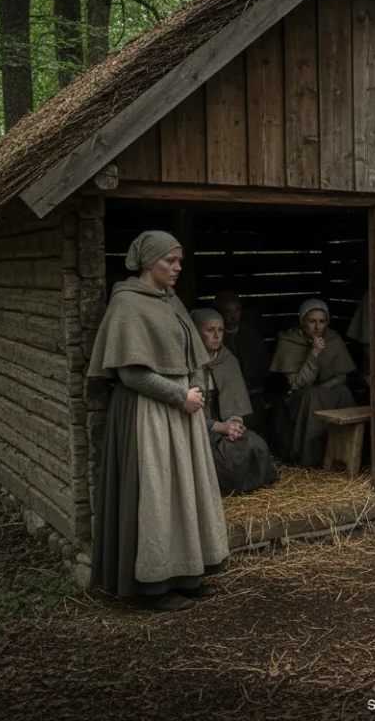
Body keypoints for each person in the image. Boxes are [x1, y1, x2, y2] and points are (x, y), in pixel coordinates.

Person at [87, 231, 228, 613]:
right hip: (149, 413)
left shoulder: (172, 301)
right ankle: (154, 585)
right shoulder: (127, 303)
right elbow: (131, 373)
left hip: (184, 411)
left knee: (186, 493)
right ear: (149, 261)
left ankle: (188, 575)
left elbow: (194, 357)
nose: (178, 267)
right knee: (158, 495)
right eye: (170, 260)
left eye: (180, 261)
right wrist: (179, 396)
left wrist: (194, 387)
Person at [190, 309, 279, 496]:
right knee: (212, 457)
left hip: (224, 427)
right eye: (210, 330)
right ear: (196, 332)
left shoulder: (227, 360)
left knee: (254, 443)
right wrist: (218, 426)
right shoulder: (185, 363)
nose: (217, 336)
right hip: (196, 429)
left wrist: (234, 422)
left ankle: (248, 490)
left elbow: (234, 399)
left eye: (221, 330)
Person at [269, 299, 358, 468]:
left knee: (343, 392)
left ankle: (345, 454)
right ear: (302, 321)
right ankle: (311, 459)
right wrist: (314, 354)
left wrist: (323, 388)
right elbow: (296, 384)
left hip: (325, 390)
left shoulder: (333, 339)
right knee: (311, 396)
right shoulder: (289, 341)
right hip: (298, 396)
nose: (317, 327)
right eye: (312, 321)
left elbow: (341, 376)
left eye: (322, 321)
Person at [212, 291, 271, 419]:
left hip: (254, 393)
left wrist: (255, 386)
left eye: (237, 311)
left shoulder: (252, 337)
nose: (233, 316)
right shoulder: (213, 339)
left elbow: (263, 367)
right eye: (228, 312)